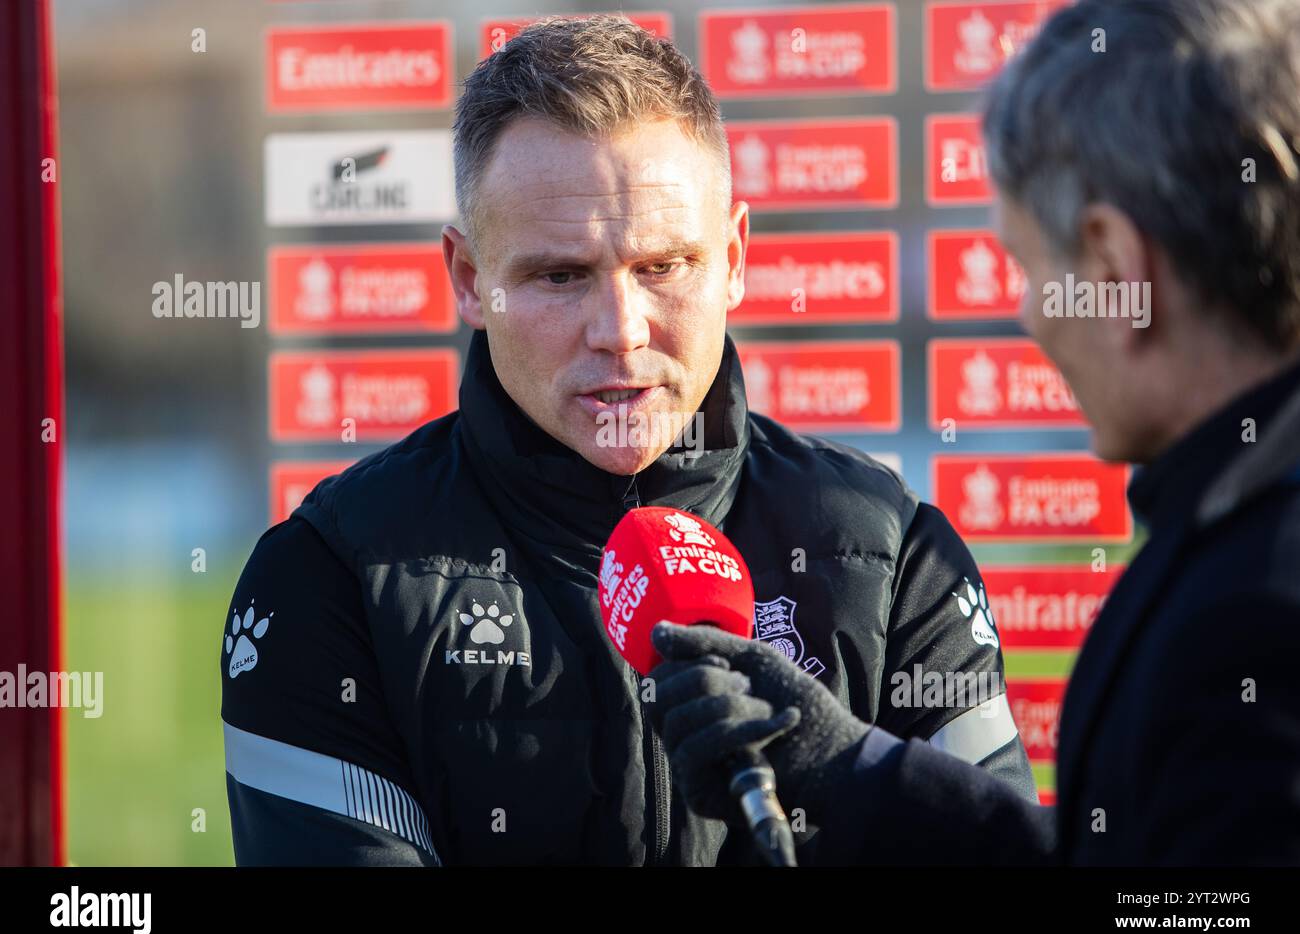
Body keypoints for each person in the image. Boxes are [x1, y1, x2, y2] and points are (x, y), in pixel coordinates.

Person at [220, 14, 1033, 866]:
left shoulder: (894, 555)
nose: (620, 329)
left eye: (663, 267)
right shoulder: (327, 577)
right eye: (559, 275)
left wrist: (846, 775)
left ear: (735, 257)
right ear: (470, 279)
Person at [646, 0, 1300, 865]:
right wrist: (847, 766)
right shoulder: (1231, 529)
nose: (1029, 315)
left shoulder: (1252, 611)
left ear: (1114, 268)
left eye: (1031, 268)